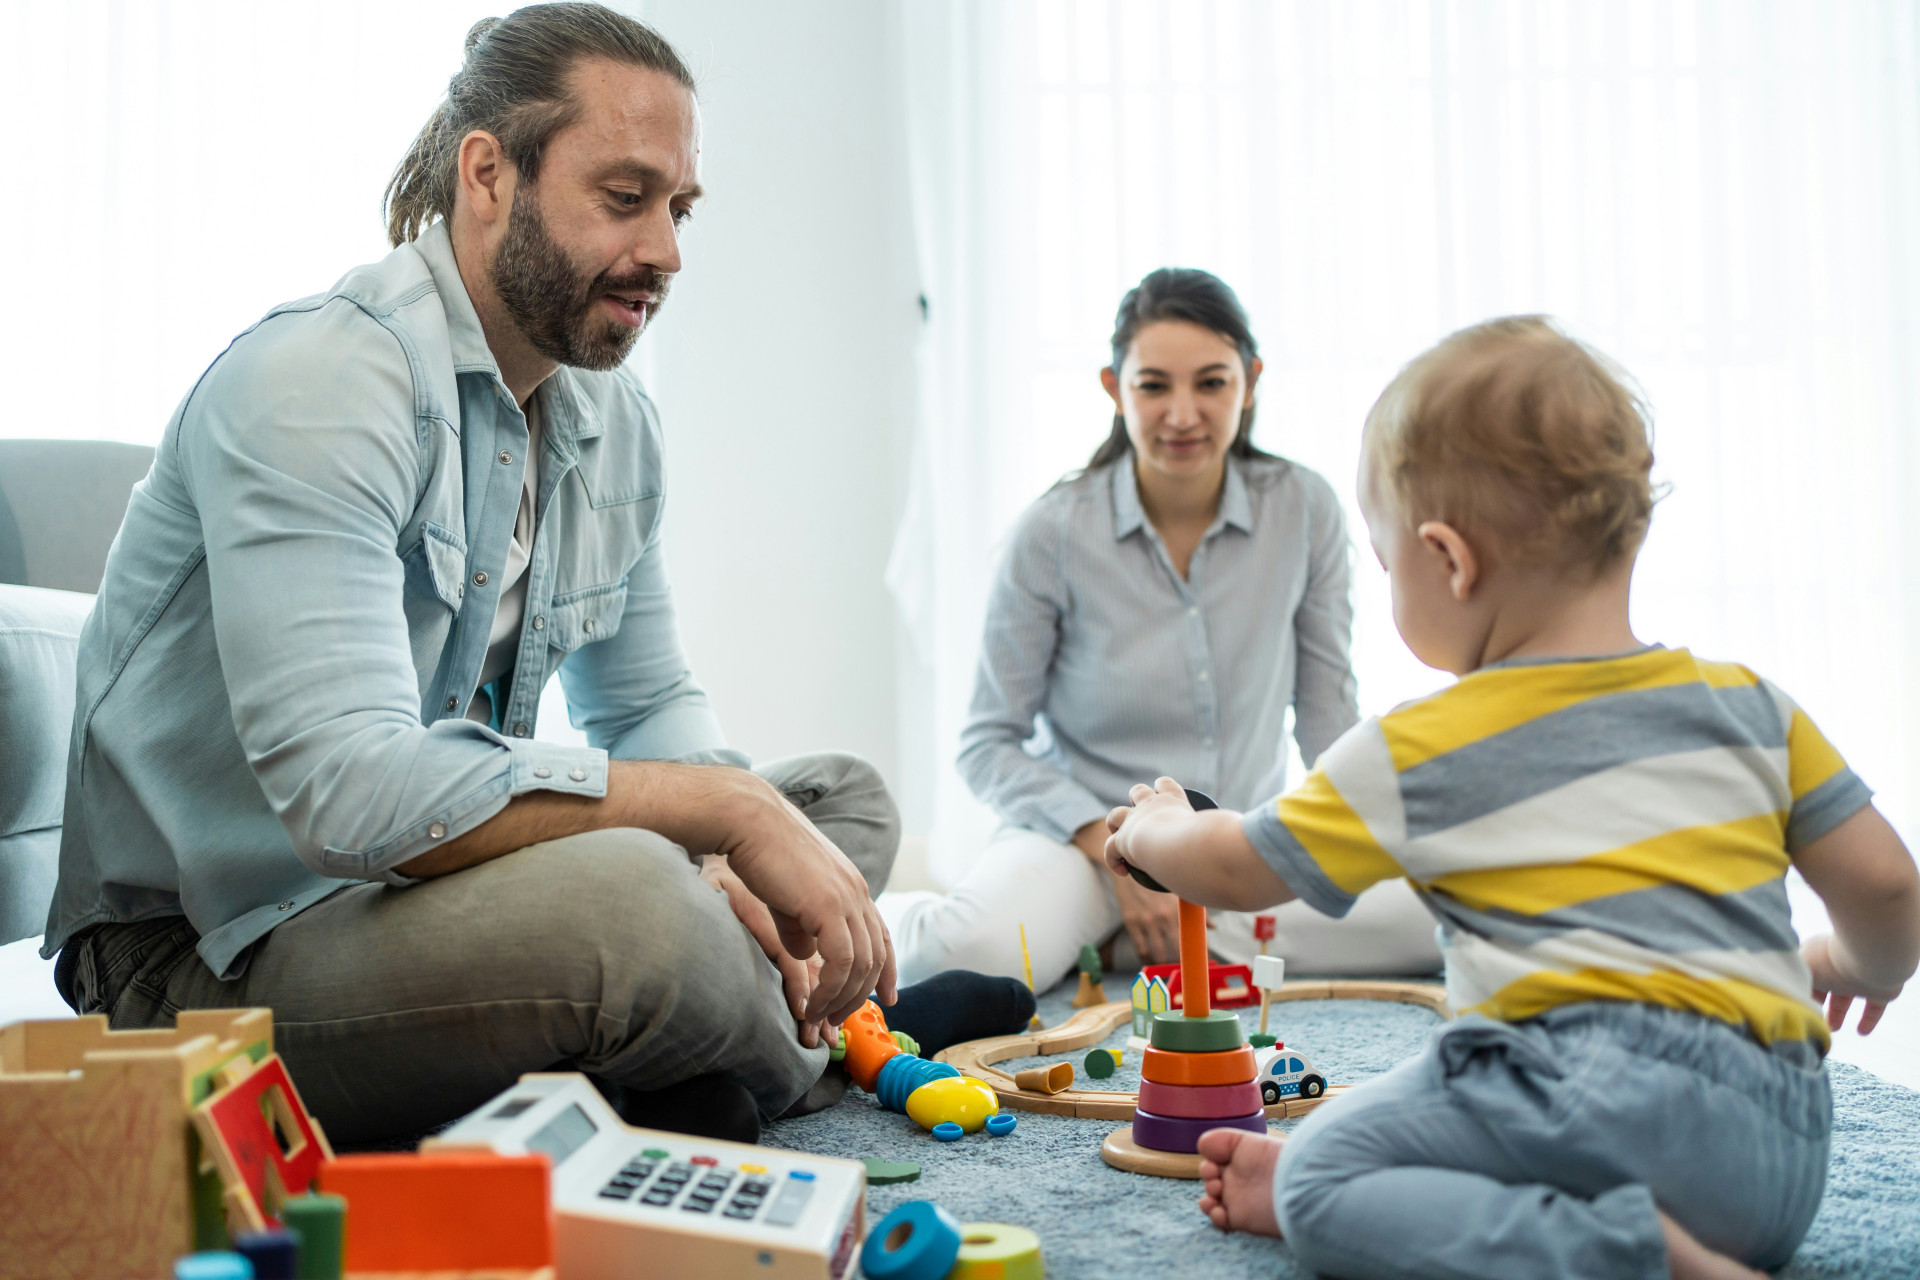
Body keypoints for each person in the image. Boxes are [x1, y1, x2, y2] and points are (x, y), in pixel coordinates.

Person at [39, 4, 977, 1149]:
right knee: (645, 907)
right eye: (625, 198)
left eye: (679, 209)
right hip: (209, 953)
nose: (668, 252)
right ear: (488, 173)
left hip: (412, 900)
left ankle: (679, 1045)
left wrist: (733, 841)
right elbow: (356, 799)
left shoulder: (612, 417)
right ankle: (836, 1040)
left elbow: (647, 702)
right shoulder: (320, 383)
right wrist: (721, 820)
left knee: (837, 801)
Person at [1103, 317, 1920, 1280]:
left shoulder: (1427, 743)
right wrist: (1852, 964)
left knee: (1321, 1176)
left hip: (1585, 1111)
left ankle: (1631, 1258)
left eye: (1386, 562)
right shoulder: (1752, 707)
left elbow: (1239, 867)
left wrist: (1158, 829)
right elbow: (1889, 884)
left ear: (1448, 560)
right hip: (1781, 1160)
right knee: (1428, 1088)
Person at [887, 268, 1440, 987]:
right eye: (1154, 386)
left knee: (1441, 911)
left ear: (1251, 382)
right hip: (1086, 848)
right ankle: (1154, 929)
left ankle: (1142, 941)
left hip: (1237, 844)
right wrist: (1119, 847)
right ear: (1115, 389)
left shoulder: (1305, 508)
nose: (1183, 414)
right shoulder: (1051, 531)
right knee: (957, 957)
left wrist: (1366, 826)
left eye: (1211, 383)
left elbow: (1326, 712)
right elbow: (988, 743)